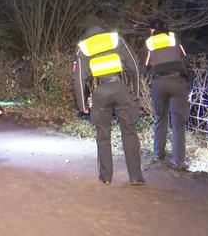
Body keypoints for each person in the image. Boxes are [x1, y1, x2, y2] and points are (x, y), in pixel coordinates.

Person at [72, 14, 145, 186]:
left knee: (103, 135)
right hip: (120, 88)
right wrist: (136, 92)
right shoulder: (115, 39)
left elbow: (78, 78)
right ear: (101, 26)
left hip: (100, 93)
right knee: (129, 132)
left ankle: (106, 177)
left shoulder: (84, 48)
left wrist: (83, 105)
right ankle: (136, 177)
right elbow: (134, 64)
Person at [144, 18, 190, 170]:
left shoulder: (150, 42)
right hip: (178, 81)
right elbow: (183, 54)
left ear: (152, 30)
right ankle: (178, 161)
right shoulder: (173, 37)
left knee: (160, 119)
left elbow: (146, 64)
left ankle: (158, 155)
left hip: (159, 82)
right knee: (178, 123)